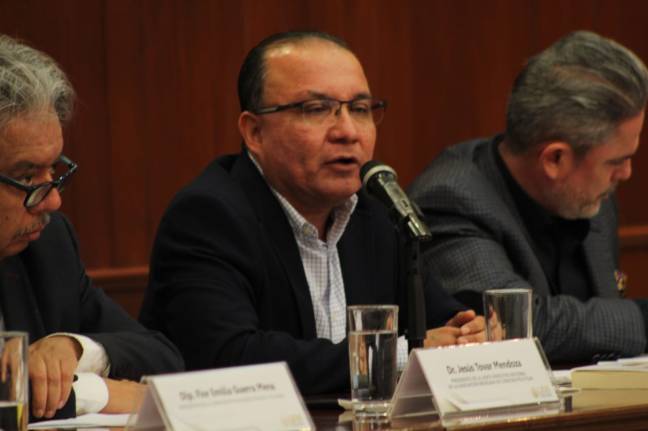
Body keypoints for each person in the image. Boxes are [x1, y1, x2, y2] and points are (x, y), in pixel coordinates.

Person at [140, 31, 485, 395]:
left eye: (360, 109)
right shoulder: (208, 216)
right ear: (255, 132)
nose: (348, 132)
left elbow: (440, 323)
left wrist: (466, 334)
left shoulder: (377, 214)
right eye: (317, 109)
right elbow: (233, 358)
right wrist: (402, 354)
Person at [408, 31, 648, 364]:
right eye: (616, 161)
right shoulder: (450, 200)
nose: (626, 173)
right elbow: (510, 325)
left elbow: (601, 328)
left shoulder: (591, 195)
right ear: (555, 159)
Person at [0, 34, 184, 420]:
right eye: (27, 176)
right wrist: (93, 393)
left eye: (54, 170)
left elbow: (163, 356)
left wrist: (75, 349)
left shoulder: (48, 245)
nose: (53, 201)